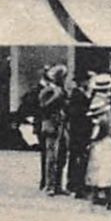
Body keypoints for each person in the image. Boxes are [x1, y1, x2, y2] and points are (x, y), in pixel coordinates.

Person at [37, 65, 70, 195]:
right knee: (51, 157)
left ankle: (58, 185)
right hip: (51, 125)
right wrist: (56, 96)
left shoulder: (62, 90)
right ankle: (49, 185)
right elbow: (43, 106)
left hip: (62, 125)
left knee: (62, 155)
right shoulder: (47, 90)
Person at [65, 71, 96, 199]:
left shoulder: (79, 94)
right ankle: (77, 185)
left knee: (76, 157)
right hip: (79, 131)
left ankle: (74, 183)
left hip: (78, 131)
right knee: (79, 158)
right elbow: (76, 113)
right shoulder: (77, 95)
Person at [85, 95, 111, 210]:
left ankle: (97, 196)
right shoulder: (105, 121)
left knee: (98, 171)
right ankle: (109, 199)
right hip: (106, 146)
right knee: (107, 172)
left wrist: (90, 142)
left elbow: (95, 136)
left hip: (100, 147)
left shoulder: (99, 123)